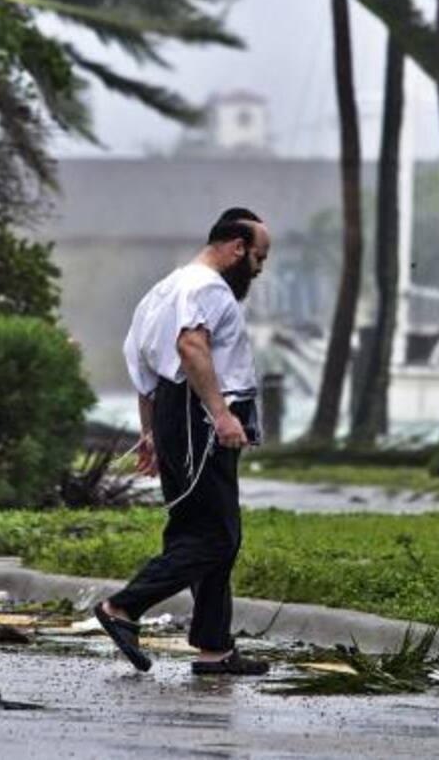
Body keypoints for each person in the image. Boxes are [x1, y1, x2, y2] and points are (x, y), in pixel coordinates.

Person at [95, 207, 272, 675]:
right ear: (237, 247)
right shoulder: (206, 288)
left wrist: (150, 430)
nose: (258, 268)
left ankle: (215, 648)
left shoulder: (166, 288)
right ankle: (123, 608)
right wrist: (221, 414)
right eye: (258, 257)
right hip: (200, 419)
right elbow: (189, 347)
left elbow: (142, 367)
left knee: (208, 531)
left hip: (177, 416)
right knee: (214, 535)